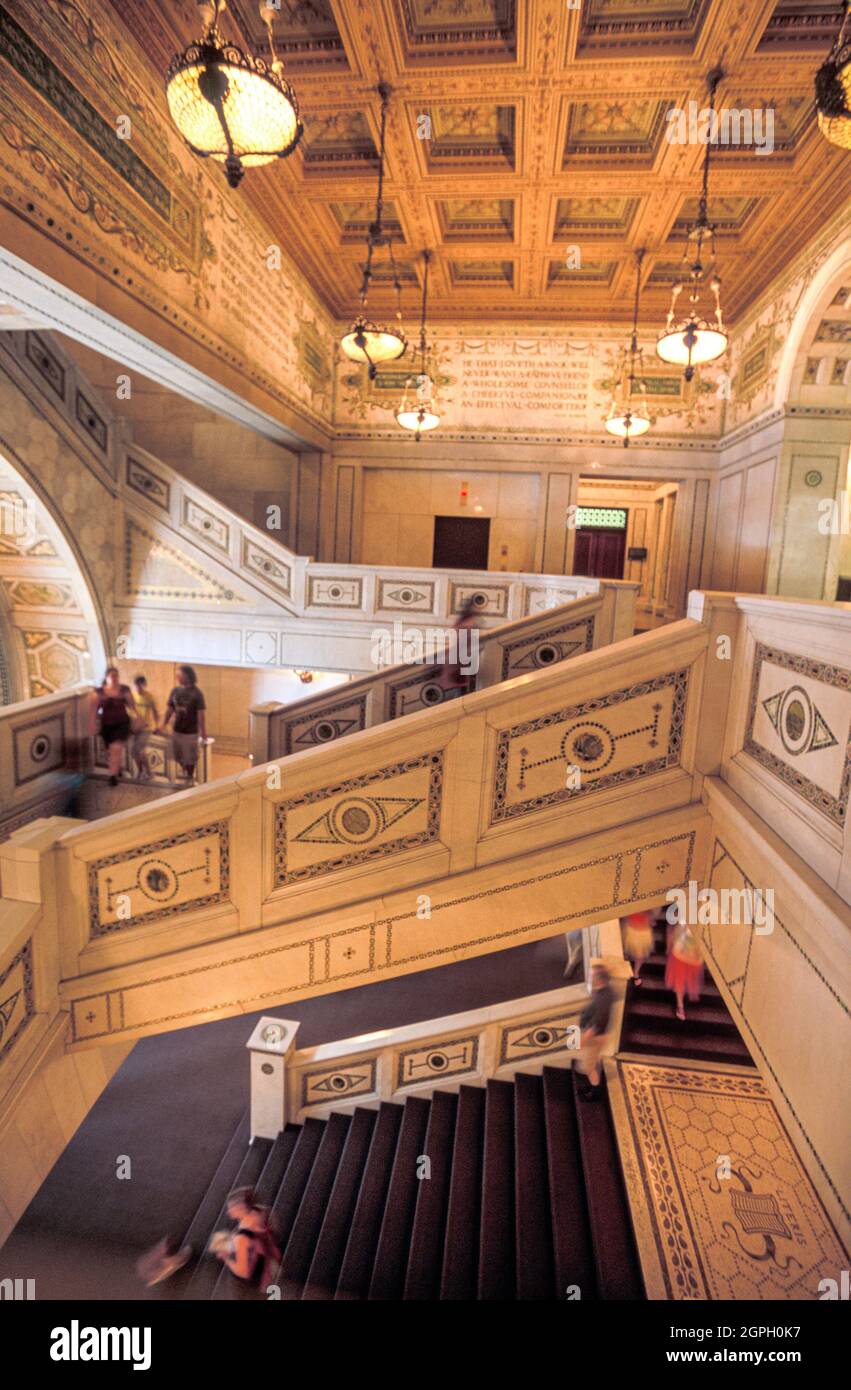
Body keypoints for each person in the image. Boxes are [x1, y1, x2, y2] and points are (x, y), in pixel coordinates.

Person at [209, 1187, 280, 1290]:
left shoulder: (242, 1238)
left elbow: (243, 1272)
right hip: (269, 1263)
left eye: (231, 1208)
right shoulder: (261, 1211)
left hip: (255, 1281)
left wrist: (226, 1258)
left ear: (241, 1208)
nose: (228, 1212)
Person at [156, 665, 207, 785]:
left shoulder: (197, 693)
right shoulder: (175, 691)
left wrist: (203, 731)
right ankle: (184, 769)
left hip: (190, 732)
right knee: (177, 755)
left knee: (190, 757)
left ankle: (189, 777)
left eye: (180, 675)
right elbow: (169, 710)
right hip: (177, 730)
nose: (177, 677)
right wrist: (162, 725)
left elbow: (201, 714)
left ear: (187, 676)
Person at [90, 667, 135, 786]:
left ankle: (112, 776)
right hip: (106, 726)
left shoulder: (125, 690)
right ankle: (117, 769)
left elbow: (132, 706)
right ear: (106, 677)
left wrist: (138, 719)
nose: (114, 678)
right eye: (111, 676)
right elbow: (93, 710)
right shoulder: (99, 692)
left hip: (122, 724)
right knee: (110, 752)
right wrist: (92, 724)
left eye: (116, 675)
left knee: (116, 748)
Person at [575, 963, 613, 1102]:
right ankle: (593, 1086)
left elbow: (595, 1025)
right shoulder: (606, 990)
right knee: (590, 1063)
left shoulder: (602, 1000)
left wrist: (582, 1040)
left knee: (588, 1067)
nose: (589, 977)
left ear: (599, 979)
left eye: (591, 976)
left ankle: (595, 1093)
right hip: (598, 1037)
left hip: (595, 1038)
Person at [435, 595, 480, 699]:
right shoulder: (466, 625)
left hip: (457, 664)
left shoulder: (461, 623)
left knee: (459, 693)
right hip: (457, 664)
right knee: (459, 694)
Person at [665, 903, 705, 1021]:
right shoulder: (683, 911)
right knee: (679, 979)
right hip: (681, 952)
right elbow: (672, 928)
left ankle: (681, 1005)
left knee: (684, 978)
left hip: (692, 954)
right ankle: (680, 1005)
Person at [131, 674, 158, 781]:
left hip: (147, 728)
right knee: (134, 752)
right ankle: (141, 771)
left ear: (144, 685)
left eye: (140, 685)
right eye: (136, 685)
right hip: (135, 729)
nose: (138, 688)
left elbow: (155, 713)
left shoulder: (150, 697)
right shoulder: (133, 696)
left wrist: (157, 726)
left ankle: (149, 772)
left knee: (139, 750)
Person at [622, 909, 654, 986]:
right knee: (631, 953)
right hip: (632, 927)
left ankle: (635, 973)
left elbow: (650, 914)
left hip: (642, 930)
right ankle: (633, 973)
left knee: (640, 955)